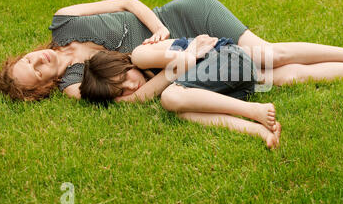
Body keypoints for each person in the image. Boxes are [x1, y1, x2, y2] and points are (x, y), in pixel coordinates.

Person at [0, 0, 343, 101]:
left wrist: (161, 28)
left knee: (269, 54)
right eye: (35, 72)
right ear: (42, 86)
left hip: (187, 16)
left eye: (28, 60)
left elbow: (128, 2)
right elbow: (131, 101)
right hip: (184, 57)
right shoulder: (75, 84)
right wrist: (170, 70)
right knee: (275, 75)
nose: (38, 61)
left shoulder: (63, 20)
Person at [80, 34, 282, 149]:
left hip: (228, 59)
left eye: (125, 79)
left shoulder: (140, 56)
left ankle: (254, 110)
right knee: (182, 110)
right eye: (121, 92)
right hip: (229, 85)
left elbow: (186, 62)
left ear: (123, 63)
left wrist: (133, 98)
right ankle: (258, 130)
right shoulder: (177, 90)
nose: (131, 88)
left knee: (170, 98)